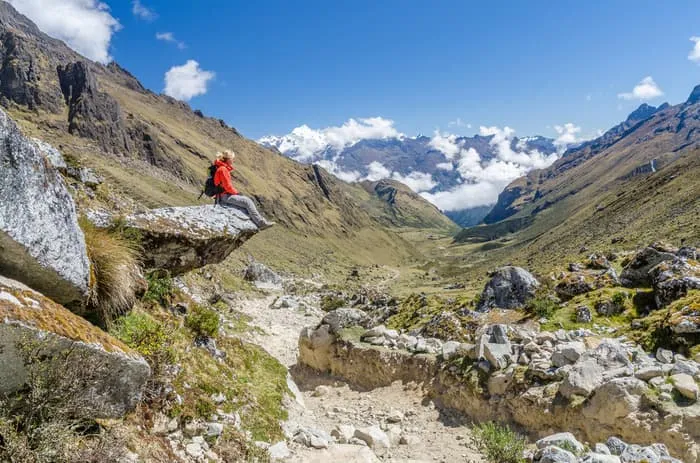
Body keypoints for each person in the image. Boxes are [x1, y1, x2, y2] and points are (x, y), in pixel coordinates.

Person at [213, 150, 275, 230]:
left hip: (222, 195)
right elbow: (227, 186)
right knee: (247, 201)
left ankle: (259, 220)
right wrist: (237, 193)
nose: (233, 160)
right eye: (232, 158)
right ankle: (260, 223)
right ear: (228, 159)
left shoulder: (221, 168)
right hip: (224, 196)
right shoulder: (223, 170)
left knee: (246, 200)